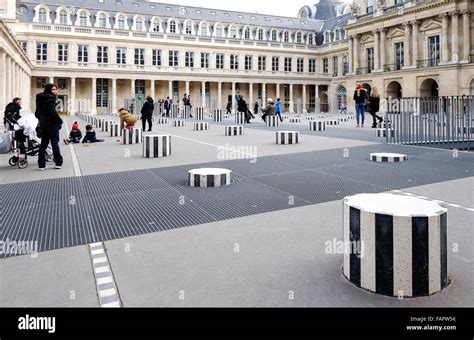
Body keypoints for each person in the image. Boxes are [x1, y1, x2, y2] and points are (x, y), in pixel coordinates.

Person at [35, 83, 63, 170]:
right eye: (53, 89)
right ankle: (58, 163)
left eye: (55, 89)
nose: (55, 91)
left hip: (43, 125)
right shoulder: (50, 100)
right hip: (52, 125)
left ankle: (41, 165)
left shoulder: (40, 99)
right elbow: (53, 113)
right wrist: (60, 121)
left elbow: (36, 113)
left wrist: (42, 119)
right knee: (55, 143)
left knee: (43, 144)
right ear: (49, 90)